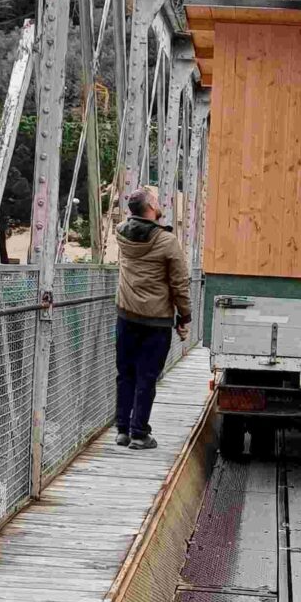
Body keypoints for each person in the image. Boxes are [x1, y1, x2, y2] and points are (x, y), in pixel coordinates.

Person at [115, 186, 192, 449]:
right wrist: (185, 317)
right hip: (155, 322)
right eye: (157, 200)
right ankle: (139, 433)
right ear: (150, 208)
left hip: (126, 316)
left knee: (126, 374)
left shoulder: (121, 234)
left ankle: (122, 429)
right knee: (147, 377)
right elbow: (180, 283)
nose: (160, 204)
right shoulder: (166, 241)